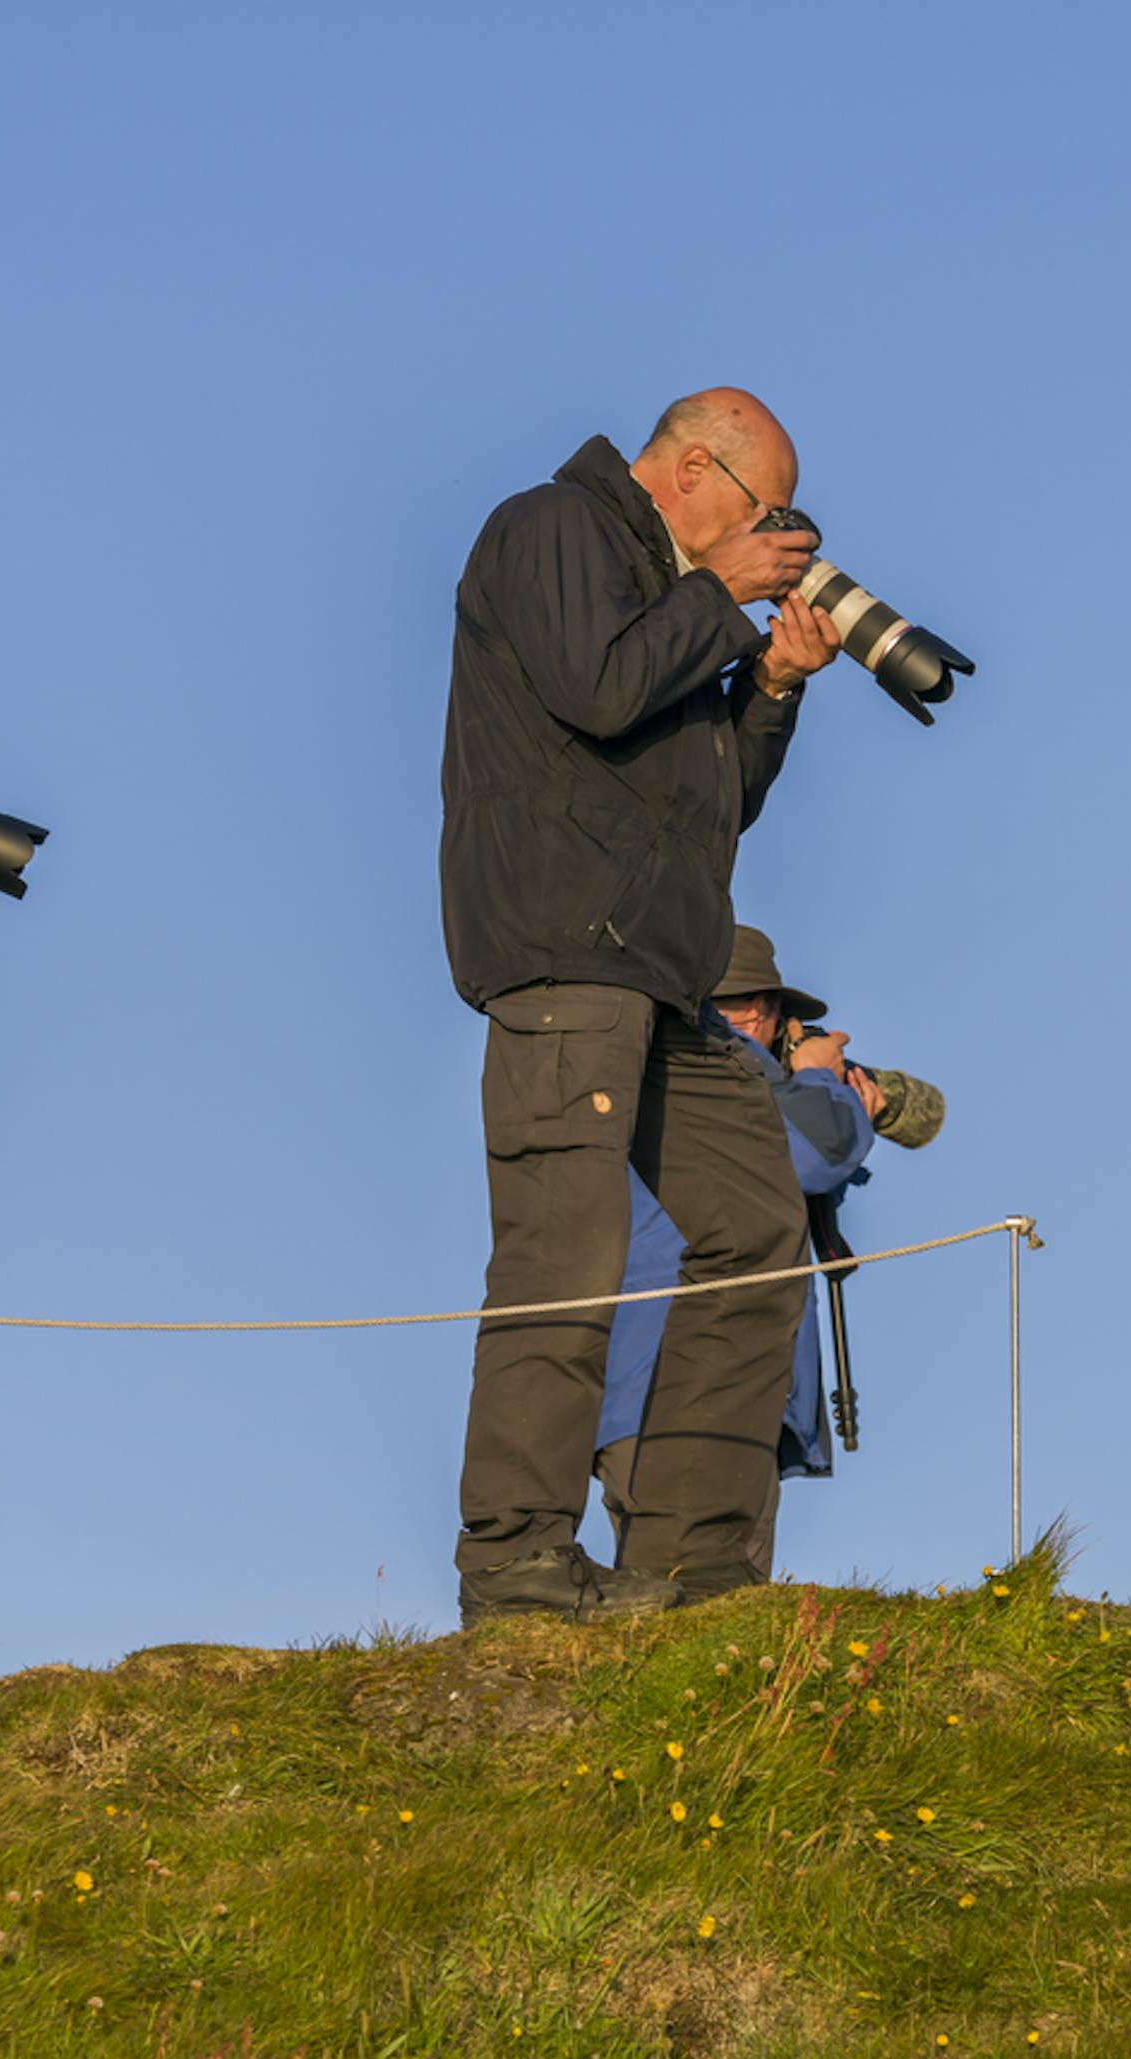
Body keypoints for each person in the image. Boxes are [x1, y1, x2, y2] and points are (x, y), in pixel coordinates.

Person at [440, 389, 846, 1623]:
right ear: (691, 468)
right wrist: (723, 595)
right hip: (567, 959)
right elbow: (603, 688)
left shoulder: (680, 596)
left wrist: (770, 681)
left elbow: (706, 802)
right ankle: (516, 1559)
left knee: (758, 1232)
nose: (781, 536)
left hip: (665, 977)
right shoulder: (554, 526)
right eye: (764, 508)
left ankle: (691, 1565)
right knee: (566, 1259)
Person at [594, 927, 941, 1580]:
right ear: (761, 1010)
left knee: (656, 1597)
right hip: (710, 1372)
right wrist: (822, 1080)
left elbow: (923, 1113)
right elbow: (818, 1152)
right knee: (707, 1589)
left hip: (634, 1379)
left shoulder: (642, 1071)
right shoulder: (733, 1080)